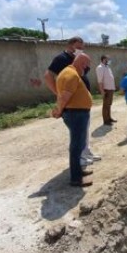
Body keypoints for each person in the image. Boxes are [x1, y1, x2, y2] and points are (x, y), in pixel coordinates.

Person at [44, 36, 101, 165]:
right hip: (73, 103)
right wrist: (58, 94)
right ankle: (79, 157)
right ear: (70, 46)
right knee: (77, 132)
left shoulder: (78, 59)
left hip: (81, 102)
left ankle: (86, 152)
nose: (81, 50)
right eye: (78, 48)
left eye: (82, 48)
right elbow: (48, 76)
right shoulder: (61, 58)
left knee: (84, 129)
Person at [51, 53, 94, 187]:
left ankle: (78, 172)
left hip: (77, 113)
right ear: (81, 63)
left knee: (79, 144)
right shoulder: (71, 75)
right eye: (86, 65)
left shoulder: (70, 72)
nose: (86, 68)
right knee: (76, 146)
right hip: (76, 114)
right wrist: (58, 110)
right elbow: (64, 97)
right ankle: (75, 178)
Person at [96, 54, 116, 126]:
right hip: (106, 89)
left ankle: (109, 117)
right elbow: (100, 81)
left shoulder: (107, 67)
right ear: (104, 59)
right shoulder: (100, 68)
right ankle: (106, 120)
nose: (109, 60)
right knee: (105, 105)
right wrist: (102, 91)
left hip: (110, 89)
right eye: (108, 59)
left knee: (109, 104)